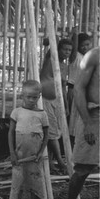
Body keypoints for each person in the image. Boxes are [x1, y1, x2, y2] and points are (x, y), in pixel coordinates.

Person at [64, 47, 99, 199]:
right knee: (84, 168)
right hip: (93, 115)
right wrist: (87, 124)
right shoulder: (94, 55)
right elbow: (78, 89)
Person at [7, 80, 49, 199]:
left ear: (39, 96)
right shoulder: (17, 112)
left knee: (35, 182)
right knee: (18, 182)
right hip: (19, 156)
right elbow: (11, 133)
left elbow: (46, 134)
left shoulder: (42, 114)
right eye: (28, 97)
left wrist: (40, 153)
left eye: (34, 97)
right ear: (22, 96)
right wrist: (12, 153)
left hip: (34, 156)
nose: (31, 100)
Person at [39, 39, 70, 173]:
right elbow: (52, 43)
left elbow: (63, 87)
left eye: (69, 50)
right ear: (58, 49)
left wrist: (66, 104)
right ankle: (61, 162)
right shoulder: (51, 59)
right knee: (51, 132)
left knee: (56, 132)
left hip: (57, 100)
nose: (67, 52)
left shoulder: (64, 66)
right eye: (64, 49)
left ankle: (51, 162)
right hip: (46, 99)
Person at [67, 33, 92, 144]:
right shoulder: (75, 56)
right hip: (74, 90)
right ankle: (73, 148)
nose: (85, 47)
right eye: (82, 45)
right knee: (74, 120)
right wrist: (75, 34)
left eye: (87, 44)